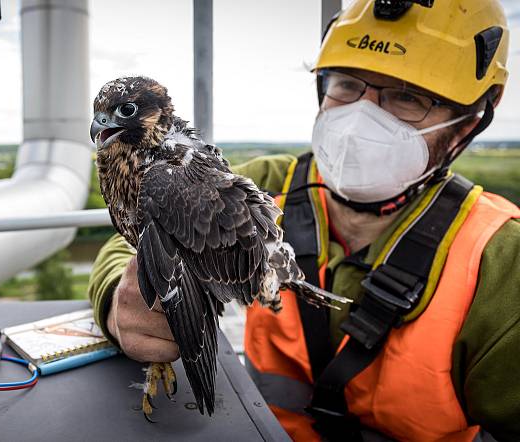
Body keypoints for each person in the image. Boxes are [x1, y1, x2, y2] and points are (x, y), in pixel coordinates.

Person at [87, 0, 520, 440]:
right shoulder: (263, 183)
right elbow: (135, 238)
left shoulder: (503, 261)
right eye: (348, 85)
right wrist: (116, 302)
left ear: (468, 123)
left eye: (407, 96)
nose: (362, 116)